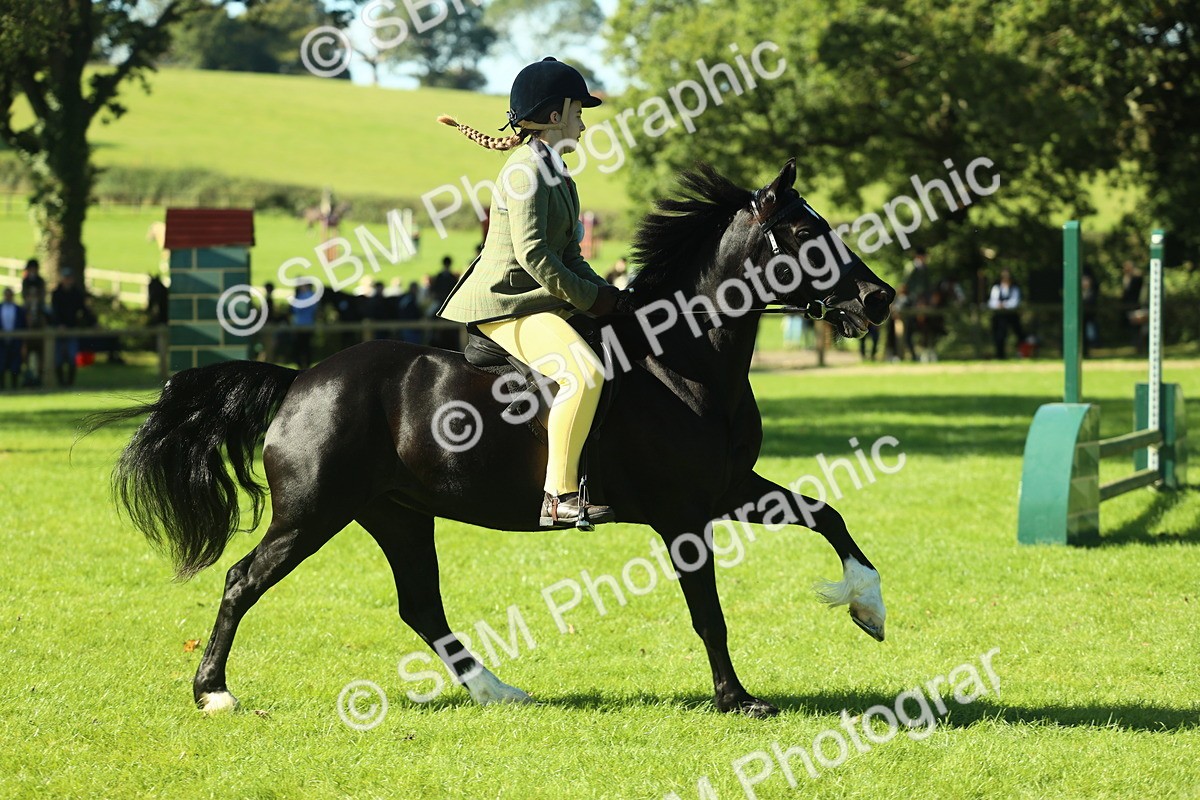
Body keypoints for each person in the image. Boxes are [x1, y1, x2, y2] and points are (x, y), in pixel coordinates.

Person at [436, 56, 620, 528]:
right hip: (507, 305)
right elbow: (534, 255)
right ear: (555, 115)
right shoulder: (524, 171)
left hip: (537, 302)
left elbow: (570, 255)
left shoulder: (560, 175)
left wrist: (610, 295)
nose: (583, 122)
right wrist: (588, 299)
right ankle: (558, 497)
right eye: (578, 111)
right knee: (583, 374)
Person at [51, 269, 86, 386]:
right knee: (58, 358)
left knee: (72, 357)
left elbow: (84, 310)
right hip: (59, 330)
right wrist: (59, 324)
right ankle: (61, 383)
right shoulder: (56, 294)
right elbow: (54, 312)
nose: (67, 280)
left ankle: (70, 383)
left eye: (69, 278)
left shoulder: (77, 294)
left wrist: (93, 322)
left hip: (72, 329)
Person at [988, 268, 1024, 359]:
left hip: (1012, 315)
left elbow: (1015, 302)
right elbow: (992, 302)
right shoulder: (996, 288)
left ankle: (1022, 354)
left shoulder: (1014, 288)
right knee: (999, 336)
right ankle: (1000, 356)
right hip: (1000, 316)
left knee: (1019, 334)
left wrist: (1005, 305)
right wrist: (998, 305)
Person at [0, 287, 27, 389]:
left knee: (15, 364)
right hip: (1, 342)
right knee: (1, 364)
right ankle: (2, 386)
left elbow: (23, 325)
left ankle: (14, 386)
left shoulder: (19, 309)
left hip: (16, 341)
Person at [291, 283, 318, 369]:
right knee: (300, 346)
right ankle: (301, 364)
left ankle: (306, 364)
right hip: (300, 325)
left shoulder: (308, 295)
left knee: (305, 346)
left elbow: (297, 308)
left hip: (306, 325)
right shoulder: (302, 295)